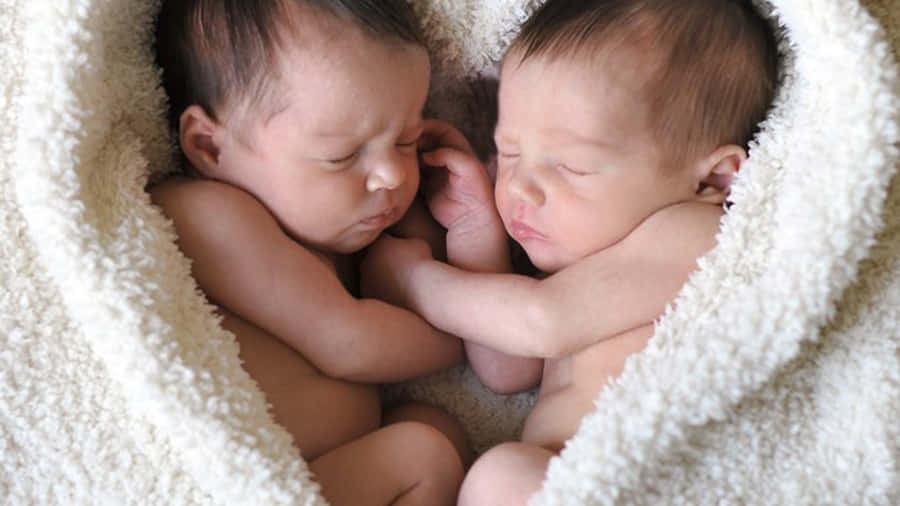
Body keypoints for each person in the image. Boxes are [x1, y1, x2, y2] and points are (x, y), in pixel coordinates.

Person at [359, 0, 779, 503]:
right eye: (509, 153)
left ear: (714, 177)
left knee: (501, 476)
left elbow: (542, 322)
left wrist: (416, 282)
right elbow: (508, 371)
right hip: (566, 479)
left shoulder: (696, 233)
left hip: (654, 485)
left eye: (571, 167)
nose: (521, 188)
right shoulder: (592, 257)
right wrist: (475, 231)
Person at [150, 1, 470, 504]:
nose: (392, 175)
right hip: (245, 488)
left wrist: (459, 222)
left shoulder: (345, 233)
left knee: (436, 428)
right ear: (209, 147)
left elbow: (425, 279)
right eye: (341, 155)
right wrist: (482, 332)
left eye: (407, 138)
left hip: (328, 471)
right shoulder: (207, 216)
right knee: (422, 453)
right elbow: (350, 344)